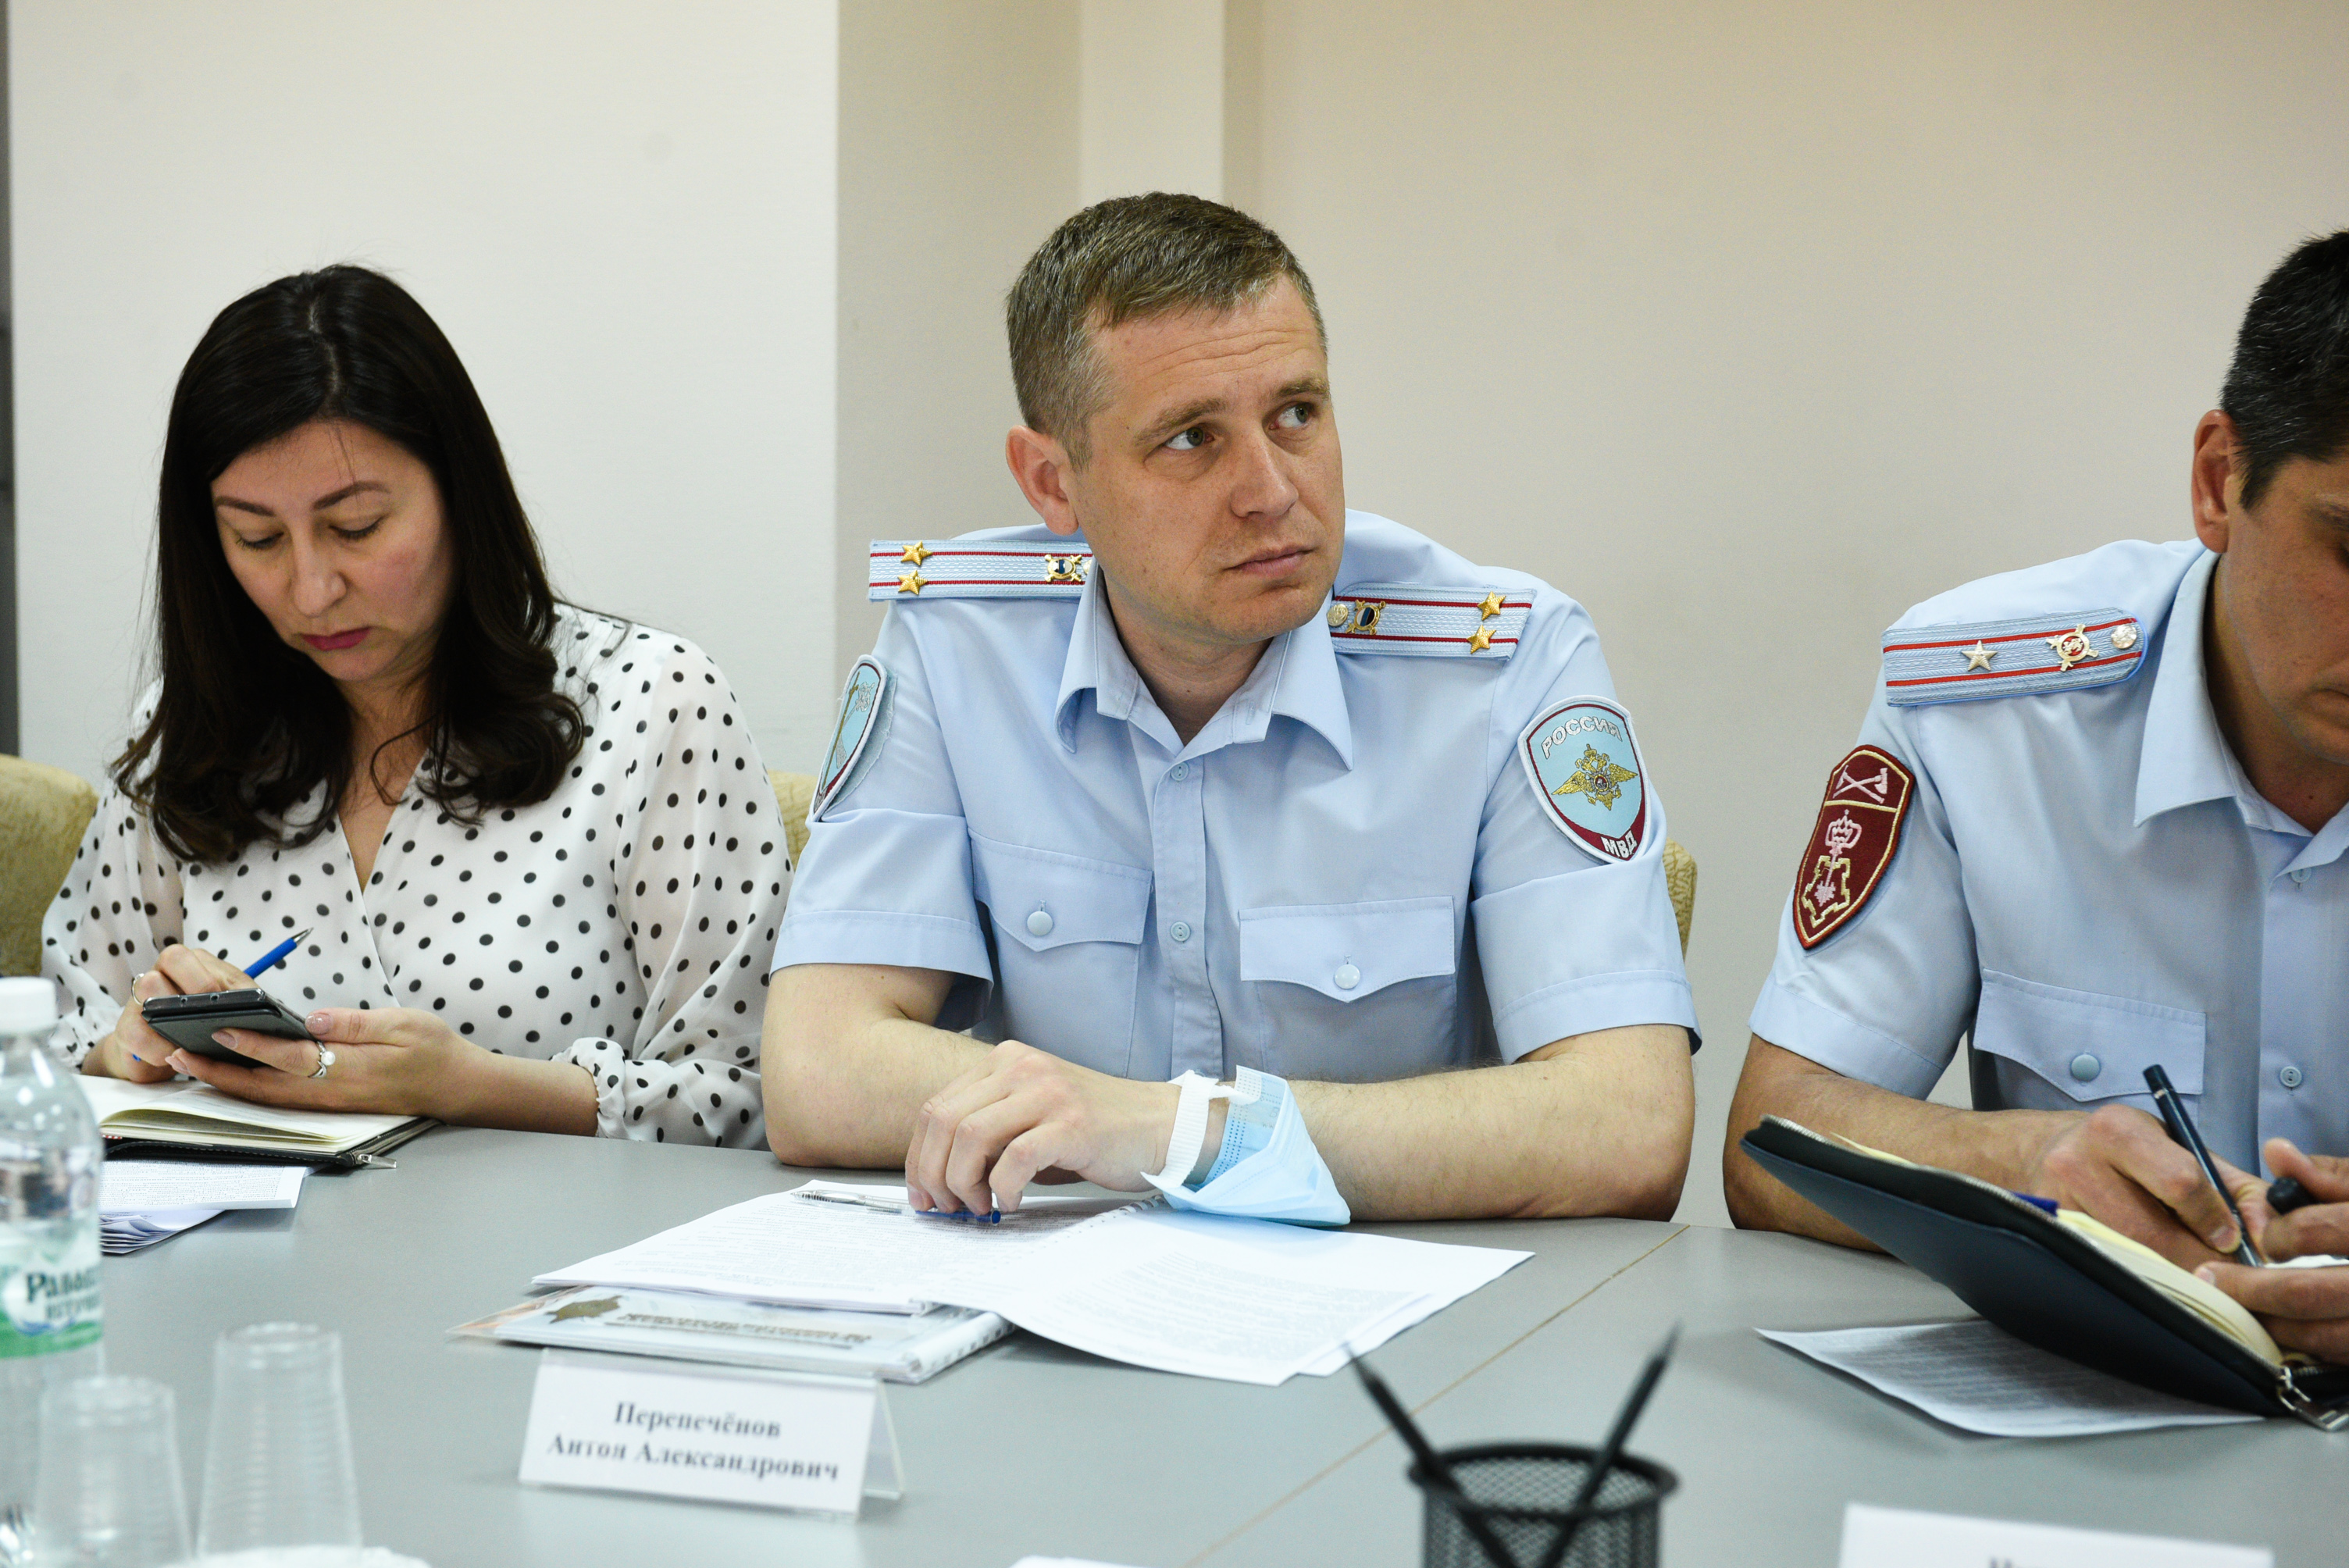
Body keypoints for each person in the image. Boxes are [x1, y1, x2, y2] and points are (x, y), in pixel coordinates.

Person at [765, 194, 1695, 1222]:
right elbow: (817, 1069)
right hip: (1051, 1285)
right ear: (1052, 482)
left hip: (1393, 1299)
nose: (1271, 490)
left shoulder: (1503, 663)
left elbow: (1628, 1123)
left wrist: (1174, 1131)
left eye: (1296, 414)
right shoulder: (957, 646)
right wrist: (1106, 1127)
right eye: (1191, 439)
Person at [1724, 231, 2349, 1358]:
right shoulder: (1986, 713)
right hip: (2101, 1408)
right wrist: (2018, 1167)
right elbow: (1774, 1137)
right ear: (2219, 481)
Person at [47, 265, 791, 1147]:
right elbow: (51, 1044)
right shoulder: (192, 729)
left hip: (552, 1232)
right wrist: (127, 1051)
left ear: (458, 492)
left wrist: (473, 1087)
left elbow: (750, 1097)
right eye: (257, 538)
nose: (313, 590)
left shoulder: (650, 703)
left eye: (356, 527)